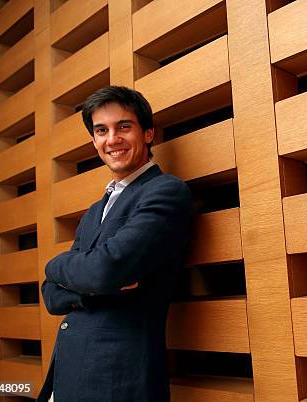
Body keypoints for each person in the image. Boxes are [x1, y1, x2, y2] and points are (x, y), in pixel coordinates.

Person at [37, 86, 192, 402]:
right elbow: (50, 296)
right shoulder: (95, 210)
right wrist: (86, 282)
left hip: (117, 380)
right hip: (67, 377)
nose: (112, 139)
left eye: (124, 126)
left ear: (148, 134)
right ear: (94, 141)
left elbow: (104, 271)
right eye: (101, 130)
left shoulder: (165, 192)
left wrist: (55, 266)